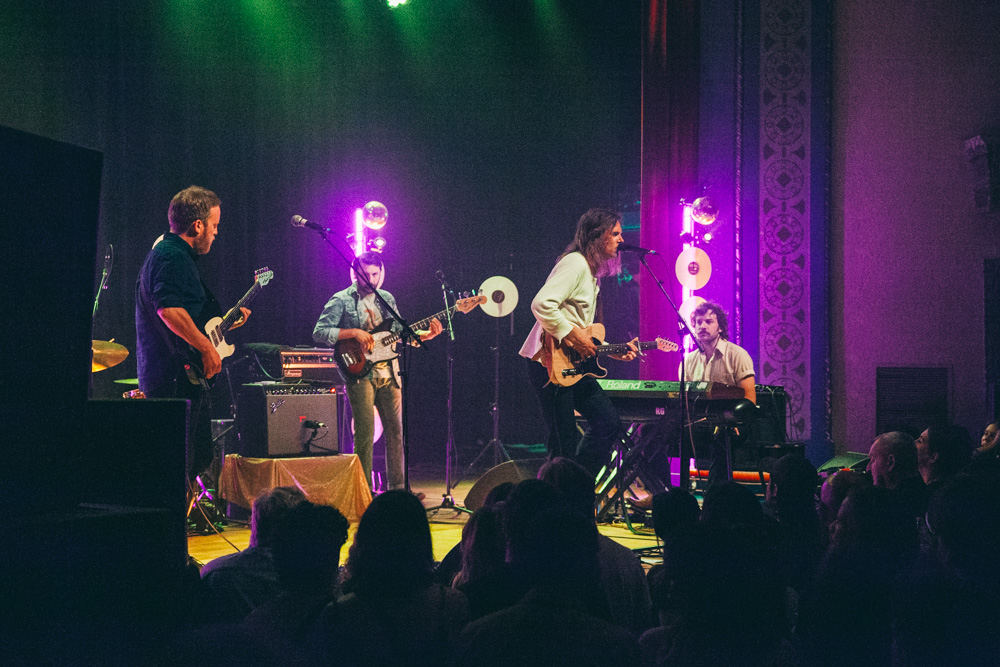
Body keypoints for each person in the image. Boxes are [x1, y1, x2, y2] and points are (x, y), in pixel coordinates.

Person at [135, 185, 250, 479]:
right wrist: (207, 348)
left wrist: (221, 326)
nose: (215, 233)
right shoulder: (172, 255)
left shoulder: (173, 254)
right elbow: (168, 310)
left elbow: (185, 314)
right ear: (197, 225)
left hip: (177, 376)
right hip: (173, 379)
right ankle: (170, 525)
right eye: (214, 226)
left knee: (195, 457)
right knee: (180, 462)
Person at [519, 208, 638, 477]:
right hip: (548, 364)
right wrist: (574, 337)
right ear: (597, 236)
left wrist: (610, 349)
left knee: (607, 422)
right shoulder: (575, 264)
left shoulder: (590, 271)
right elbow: (541, 304)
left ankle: (576, 485)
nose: (621, 239)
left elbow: (580, 326)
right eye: (616, 234)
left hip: (572, 365)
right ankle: (560, 498)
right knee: (563, 446)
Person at [313, 251, 442, 492]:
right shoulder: (341, 299)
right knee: (365, 435)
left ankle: (398, 490)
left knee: (397, 433)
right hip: (360, 373)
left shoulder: (387, 299)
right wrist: (353, 333)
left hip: (390, 373)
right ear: (355, 273)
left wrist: (425, 335)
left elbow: (397, 335)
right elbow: (319, 332)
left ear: (381, 273)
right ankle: (362, 492)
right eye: (365, 275)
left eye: (374, 274)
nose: (370, 279)